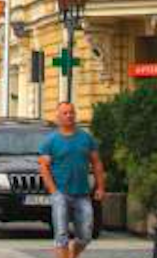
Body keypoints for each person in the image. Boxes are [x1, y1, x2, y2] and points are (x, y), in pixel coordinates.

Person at [38, 102, 107, 258]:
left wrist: (100, 187)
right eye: (65, 113)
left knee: (85, 235)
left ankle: (72, 254)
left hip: (82, 193)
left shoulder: (86, 138)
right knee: (61, 234)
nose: (69, 116)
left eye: (71, 113)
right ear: (58, 117)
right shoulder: (51, 141)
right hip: (60, 193)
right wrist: (53, 191)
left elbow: (97, 163)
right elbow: (43, 167)